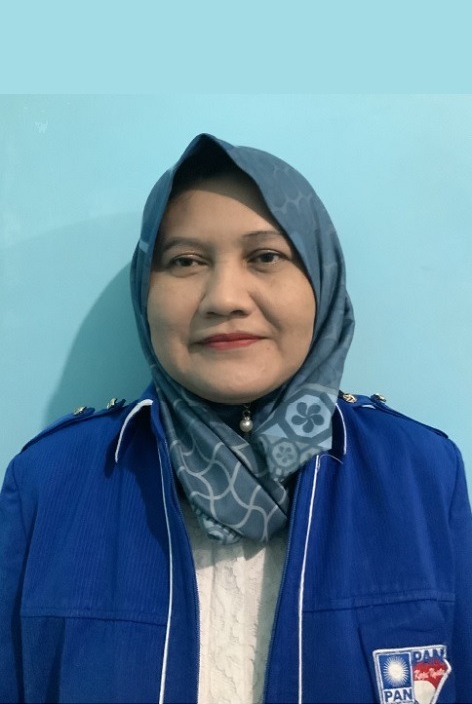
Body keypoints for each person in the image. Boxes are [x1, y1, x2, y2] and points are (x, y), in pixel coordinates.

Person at [0, 133, 471, 704]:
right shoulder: (49, 483)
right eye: (185, 261)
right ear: (146, 289)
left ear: (321, 279)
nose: (225, 298)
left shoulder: (421, 475)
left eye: (265, 256)